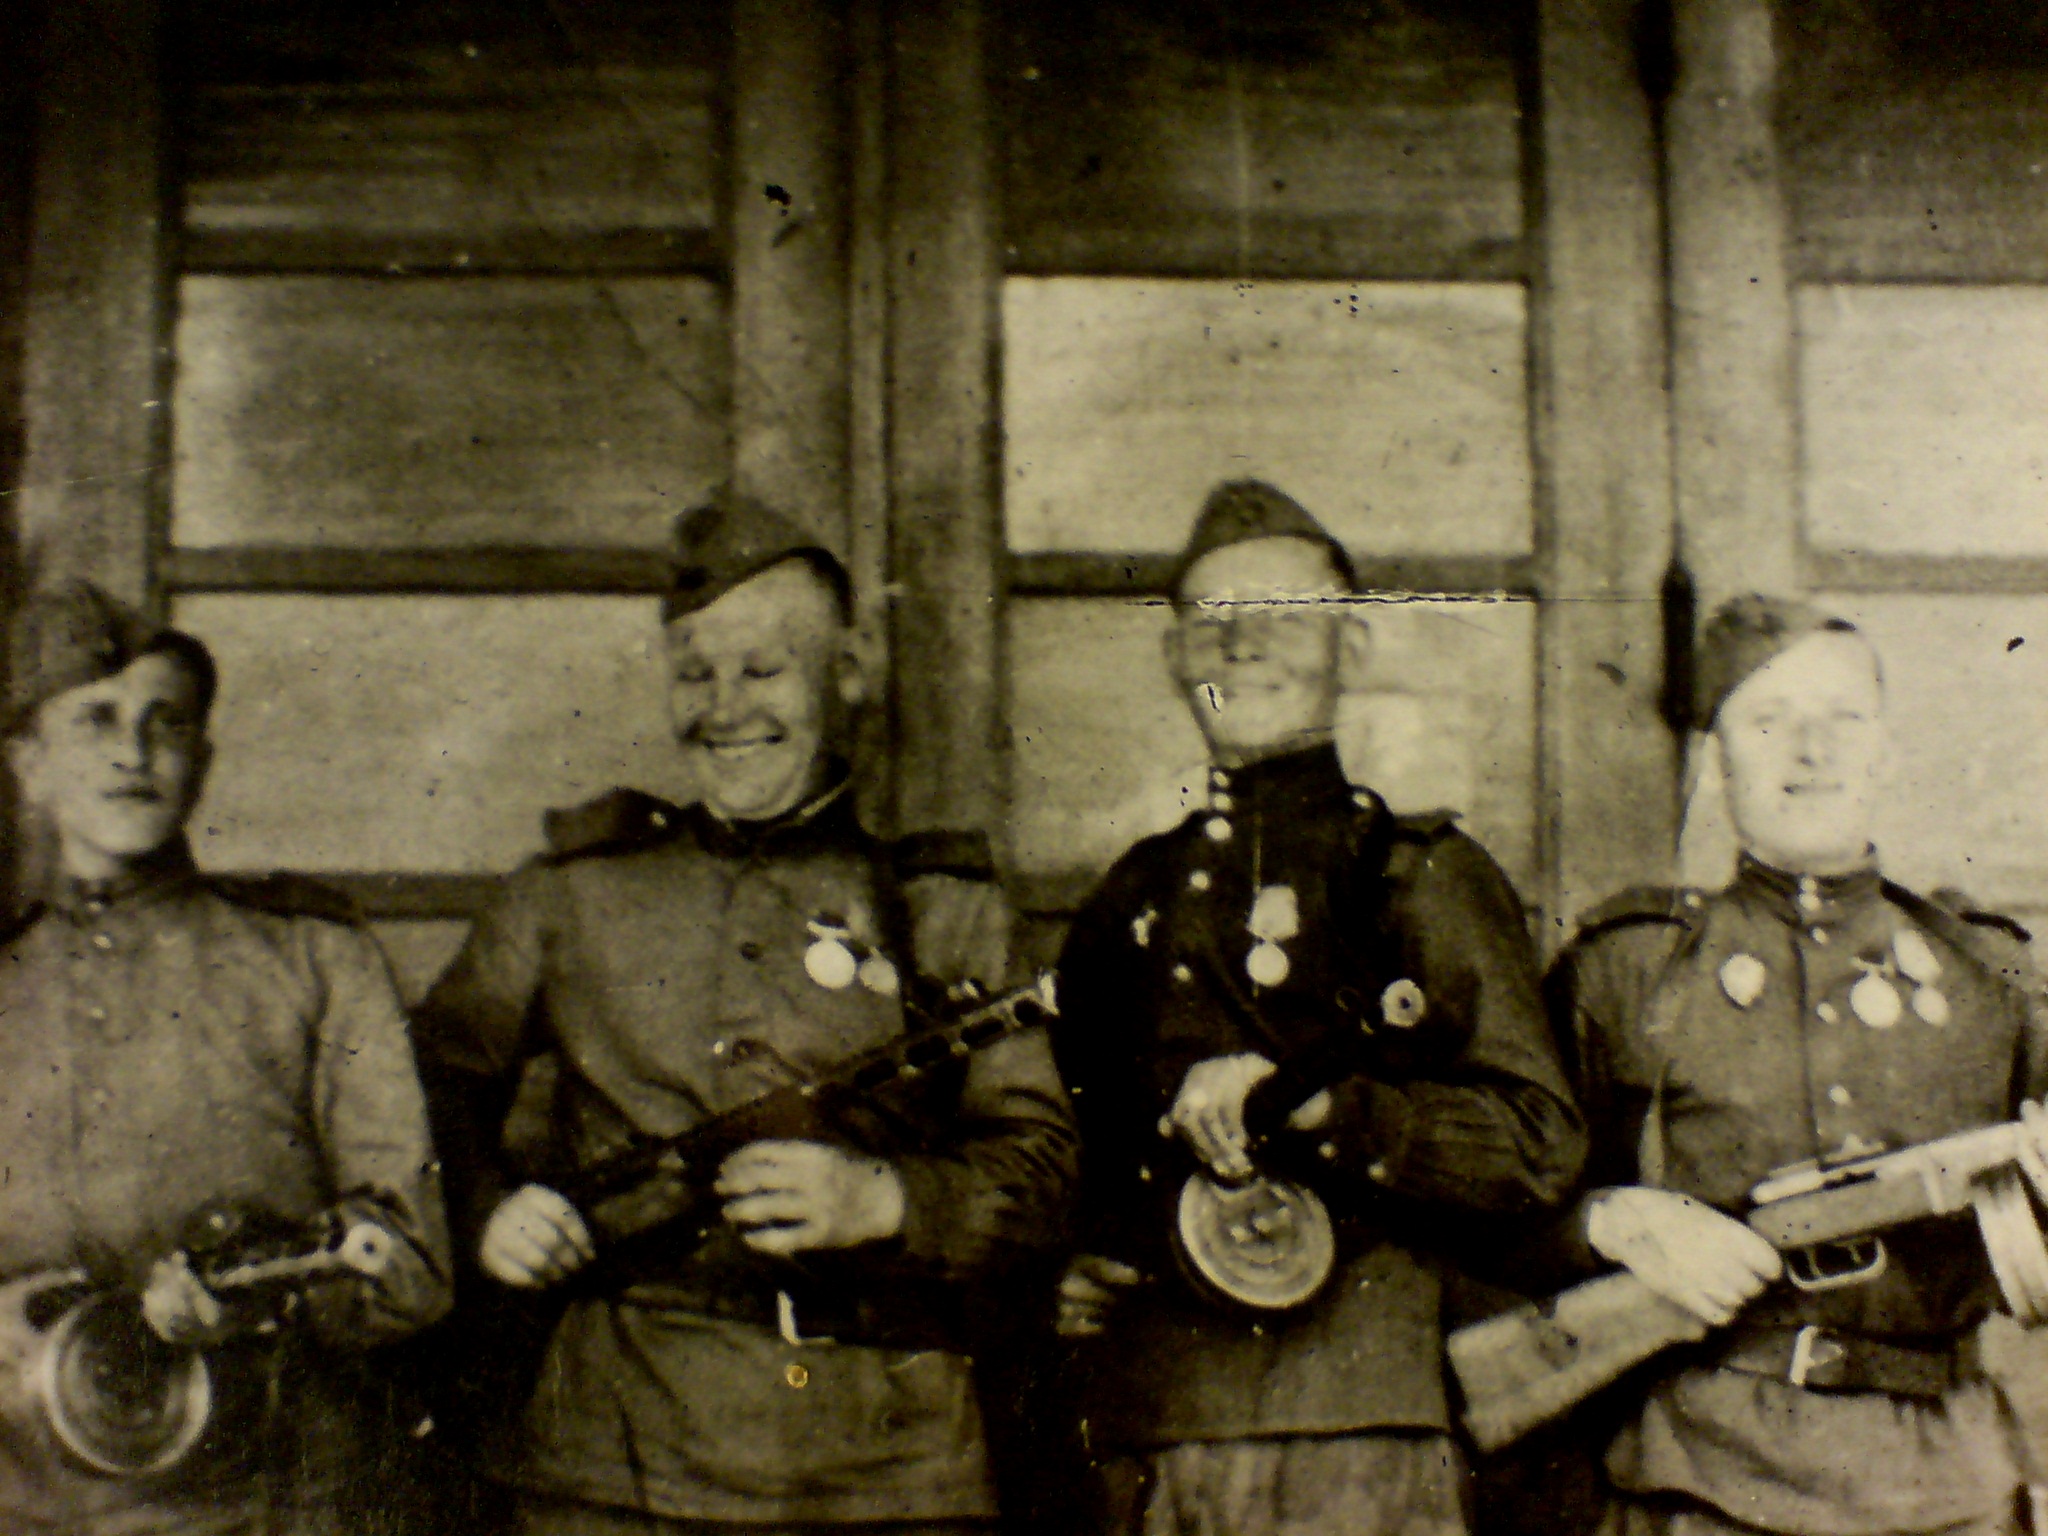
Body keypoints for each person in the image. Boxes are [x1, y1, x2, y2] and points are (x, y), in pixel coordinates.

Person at [411, 493, 1079, 1536]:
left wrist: (886, 1199)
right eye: (695, 675)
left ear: (847, 672)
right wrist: (486, 1209)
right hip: (614, 1458)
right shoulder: (570, 895)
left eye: (764, 670)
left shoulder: (946, 910)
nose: (725, 709)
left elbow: (1042, 1167)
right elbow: (417, 1090)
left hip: (889, 1469)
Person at [1050, 479, 1585, 1536]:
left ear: (1355, 646)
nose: (1242, 644)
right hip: (1148, 1424)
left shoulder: (1414, 874)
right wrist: (1070, 1258)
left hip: (1357, 1427)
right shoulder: (1128, 896)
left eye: (1281, 615)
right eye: (1211, 621)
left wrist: (1328, 1108)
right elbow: (1065, 1141)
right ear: (1175, 659)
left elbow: (1538, 1143)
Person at [1543, 593, 2048, 1536]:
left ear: (1886, 750)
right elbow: (1506, 1201)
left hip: (1947, 1481)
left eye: (1842, 719)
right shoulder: (1634, 968)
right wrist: (1611, 1220)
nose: (1811, 752)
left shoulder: (1992, 972)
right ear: (1714, 759)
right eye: (1769, 720)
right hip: (1705, 1474)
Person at [0, 581, 452, 1535]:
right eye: (95, 720)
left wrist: (256, 1297)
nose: (133, 752)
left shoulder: (314, 957)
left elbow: (411, 1260)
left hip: (262, 1498)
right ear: (28, 764)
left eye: (165, 723)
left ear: (202, 761)